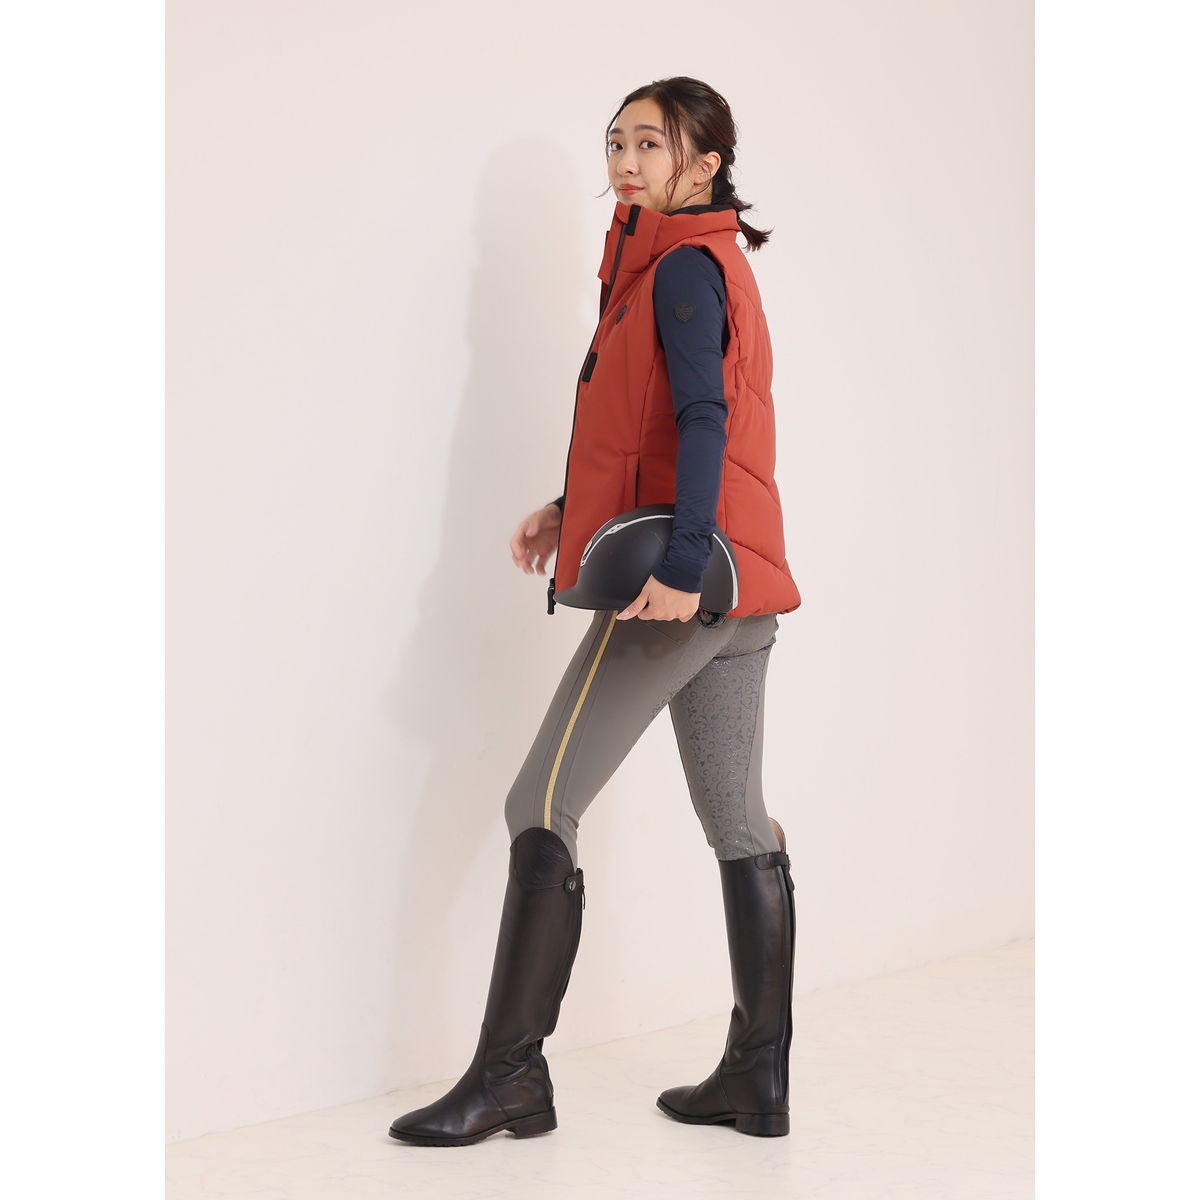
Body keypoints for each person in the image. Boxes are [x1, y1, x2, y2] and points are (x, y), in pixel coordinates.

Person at [388, 76, 802, 1147]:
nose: (625, 161)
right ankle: (756, 1076)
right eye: (616, 142)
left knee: (540, 800)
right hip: (741, 589)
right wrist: (572, 510)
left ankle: (509, 1079)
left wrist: (678, 562)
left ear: (704, 164)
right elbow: (658, 432)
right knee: (739, 820)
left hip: (688, 588)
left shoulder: (681, 268)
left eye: (651, 144)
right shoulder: (691, 261)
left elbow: (705, 423)